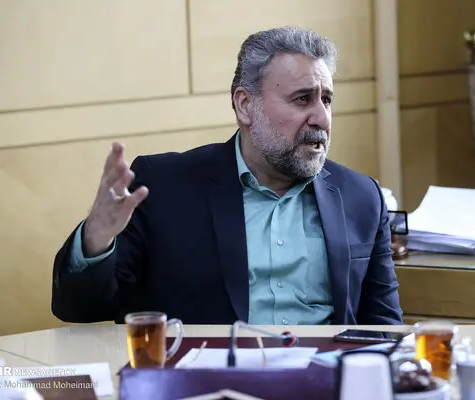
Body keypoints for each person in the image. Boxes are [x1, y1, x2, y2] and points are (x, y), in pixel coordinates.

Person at [51, 26, 403, 326]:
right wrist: (96, 238)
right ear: (245, 105)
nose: (322, 118)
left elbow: (385, 329)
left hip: (326, 377)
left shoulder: (361, 197)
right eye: (302, 99)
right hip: (207, 376)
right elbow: (80, 309)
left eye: (326, 100)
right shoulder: (164, 187)